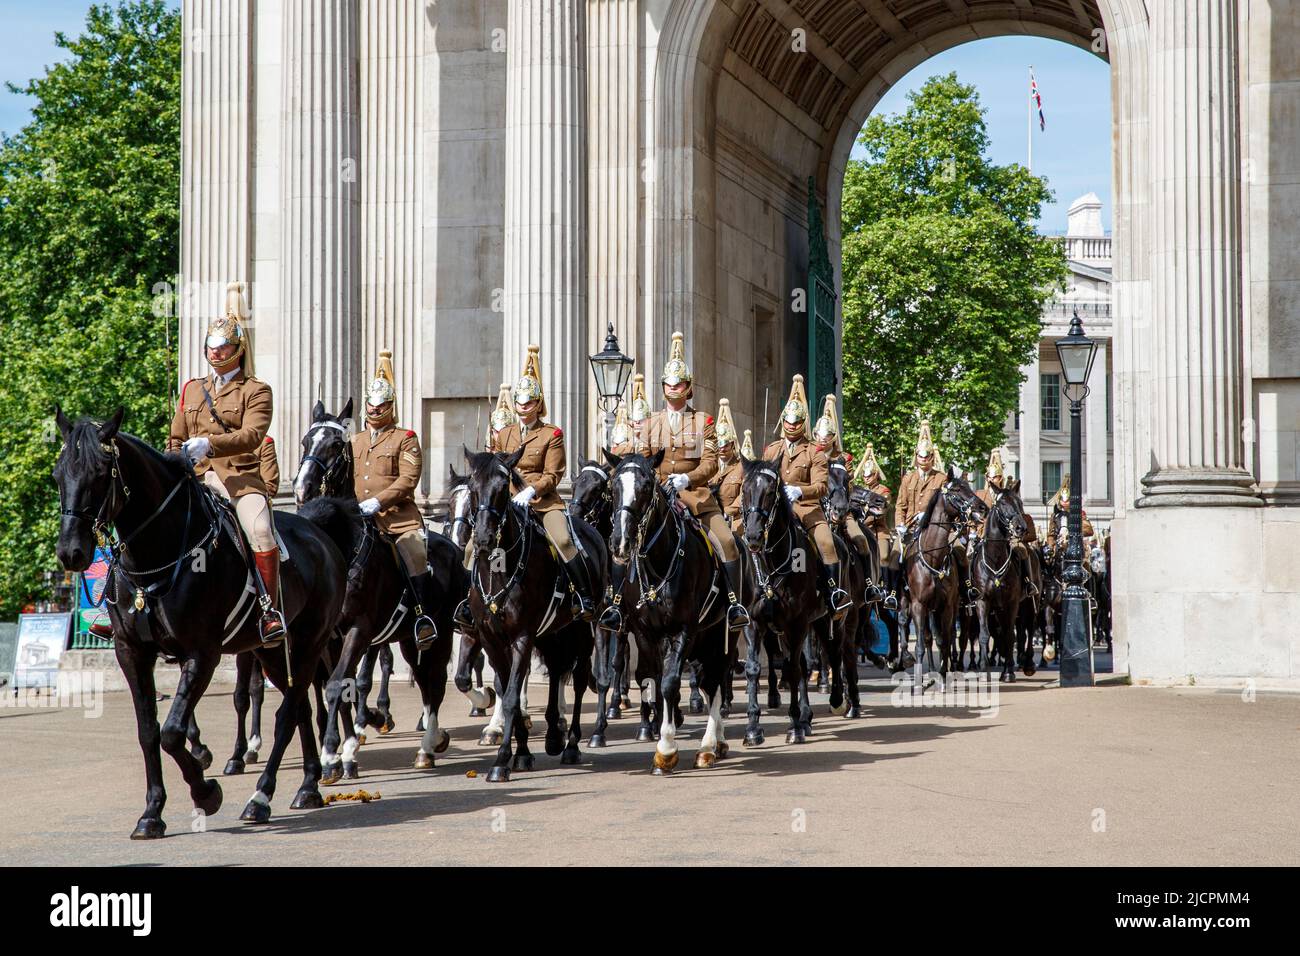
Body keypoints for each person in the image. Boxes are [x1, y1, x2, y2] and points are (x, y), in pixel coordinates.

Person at [603, 332, 749, 633]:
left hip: (694, 497)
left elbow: (709, 464)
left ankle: (734, 603)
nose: (674, 389)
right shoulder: (650, 423)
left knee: (727, 543)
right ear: (662, 388)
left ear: (689, 388)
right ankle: (617, 605)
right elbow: (641, 459)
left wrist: (687, 478)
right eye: (669, 384)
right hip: (656, 499)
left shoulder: (703, 422)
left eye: (679, 384)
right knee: (622, 541)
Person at [168, 281, 284, 644]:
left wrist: (209, 445)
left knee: (261, 531)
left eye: (224, 348)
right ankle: (123, 605)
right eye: (211, 348)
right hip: (194, 479)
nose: (216, 354)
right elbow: (174, 437)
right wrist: (175, 459)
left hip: (239, 480)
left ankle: (269, 610)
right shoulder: (190, 389)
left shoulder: (256, 390)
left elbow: (252, 436)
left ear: (238, 349)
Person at [455, 344, 597, 626]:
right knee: (474, 545)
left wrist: (532, 490)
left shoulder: (551, 433)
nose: (523, 408)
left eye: (529, 403)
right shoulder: (504, 434)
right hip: (505, 504)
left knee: (565, 540)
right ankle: (468, 603)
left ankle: (582, 596)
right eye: (519, 403)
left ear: (538, 404)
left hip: (542, 503)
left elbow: (554, 473)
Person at [352, 349, 437, 647]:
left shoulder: (405, 438)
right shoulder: (355, 440)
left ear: (391, 405)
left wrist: (379, 502)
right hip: (360, 520)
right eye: (371, 405)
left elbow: (407, 480)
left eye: (381, 405)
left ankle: (422, 616)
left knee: (415, 555)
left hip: (397, 519)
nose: (374, 410)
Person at [762, 375, 851, 618]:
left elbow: (822, 486)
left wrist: (801, 490)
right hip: (777, 510)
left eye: (796, 422)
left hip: (807, 508)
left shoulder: (815, 452)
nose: (791, 426)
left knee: (826, 543)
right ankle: (754, 591)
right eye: (788, 422)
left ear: (803, 422)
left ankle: (834, 593)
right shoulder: (772, 450)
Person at [975, 447, 1039, 596]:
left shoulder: (1008, 496)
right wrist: (976, 529)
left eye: (995, 477)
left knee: (1023, 550)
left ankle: (1028, 582)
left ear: (1000, 478)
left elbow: (1017, 516)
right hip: (981, 535)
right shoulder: (979, 495)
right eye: (989, 477)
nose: (992, 480)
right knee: (967, 554)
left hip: (1007, 537)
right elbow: (975, 517)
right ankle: (969, 586)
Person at [853, 442, 899, 611]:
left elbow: (881, 511)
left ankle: (887, 590)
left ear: (876, 475)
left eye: (870, 475)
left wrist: (865, 510)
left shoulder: (883, 491)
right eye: (864, 476)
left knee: (884, 556)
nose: (867, 478)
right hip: (860, 528)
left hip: (877, 530)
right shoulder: (859, 490)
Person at [711, 398, 743, 525]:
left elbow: (745, 494)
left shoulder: (741, 467)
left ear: (732, 445)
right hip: (711, 517)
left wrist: (728, 512)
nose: (722, 449)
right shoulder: (709, 464)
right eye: (719, 445)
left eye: (725, 445)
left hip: (734, 519)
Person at [1044, 474, 1094, 554]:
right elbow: (1051, 533)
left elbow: (1089, 530)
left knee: (1085, 562)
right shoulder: (1055, 515)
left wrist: (1073, 533)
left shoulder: (1080, 513)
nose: (1064, 503)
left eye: (1067, 500)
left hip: (1075, 543)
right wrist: (1050, 545)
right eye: (1062, 500)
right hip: (1059, 544)